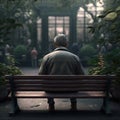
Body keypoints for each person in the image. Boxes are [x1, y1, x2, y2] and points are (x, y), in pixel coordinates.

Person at [39, 34, 84, 111]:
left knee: (47, 83)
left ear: (55, 44)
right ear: (66, 44)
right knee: (73, 82)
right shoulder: (75, 57)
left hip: (51, 89)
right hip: (71, 89)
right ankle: (73, 103)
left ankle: (51, 104)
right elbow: (81, 75)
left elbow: (41, 74)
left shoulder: (47, 57)